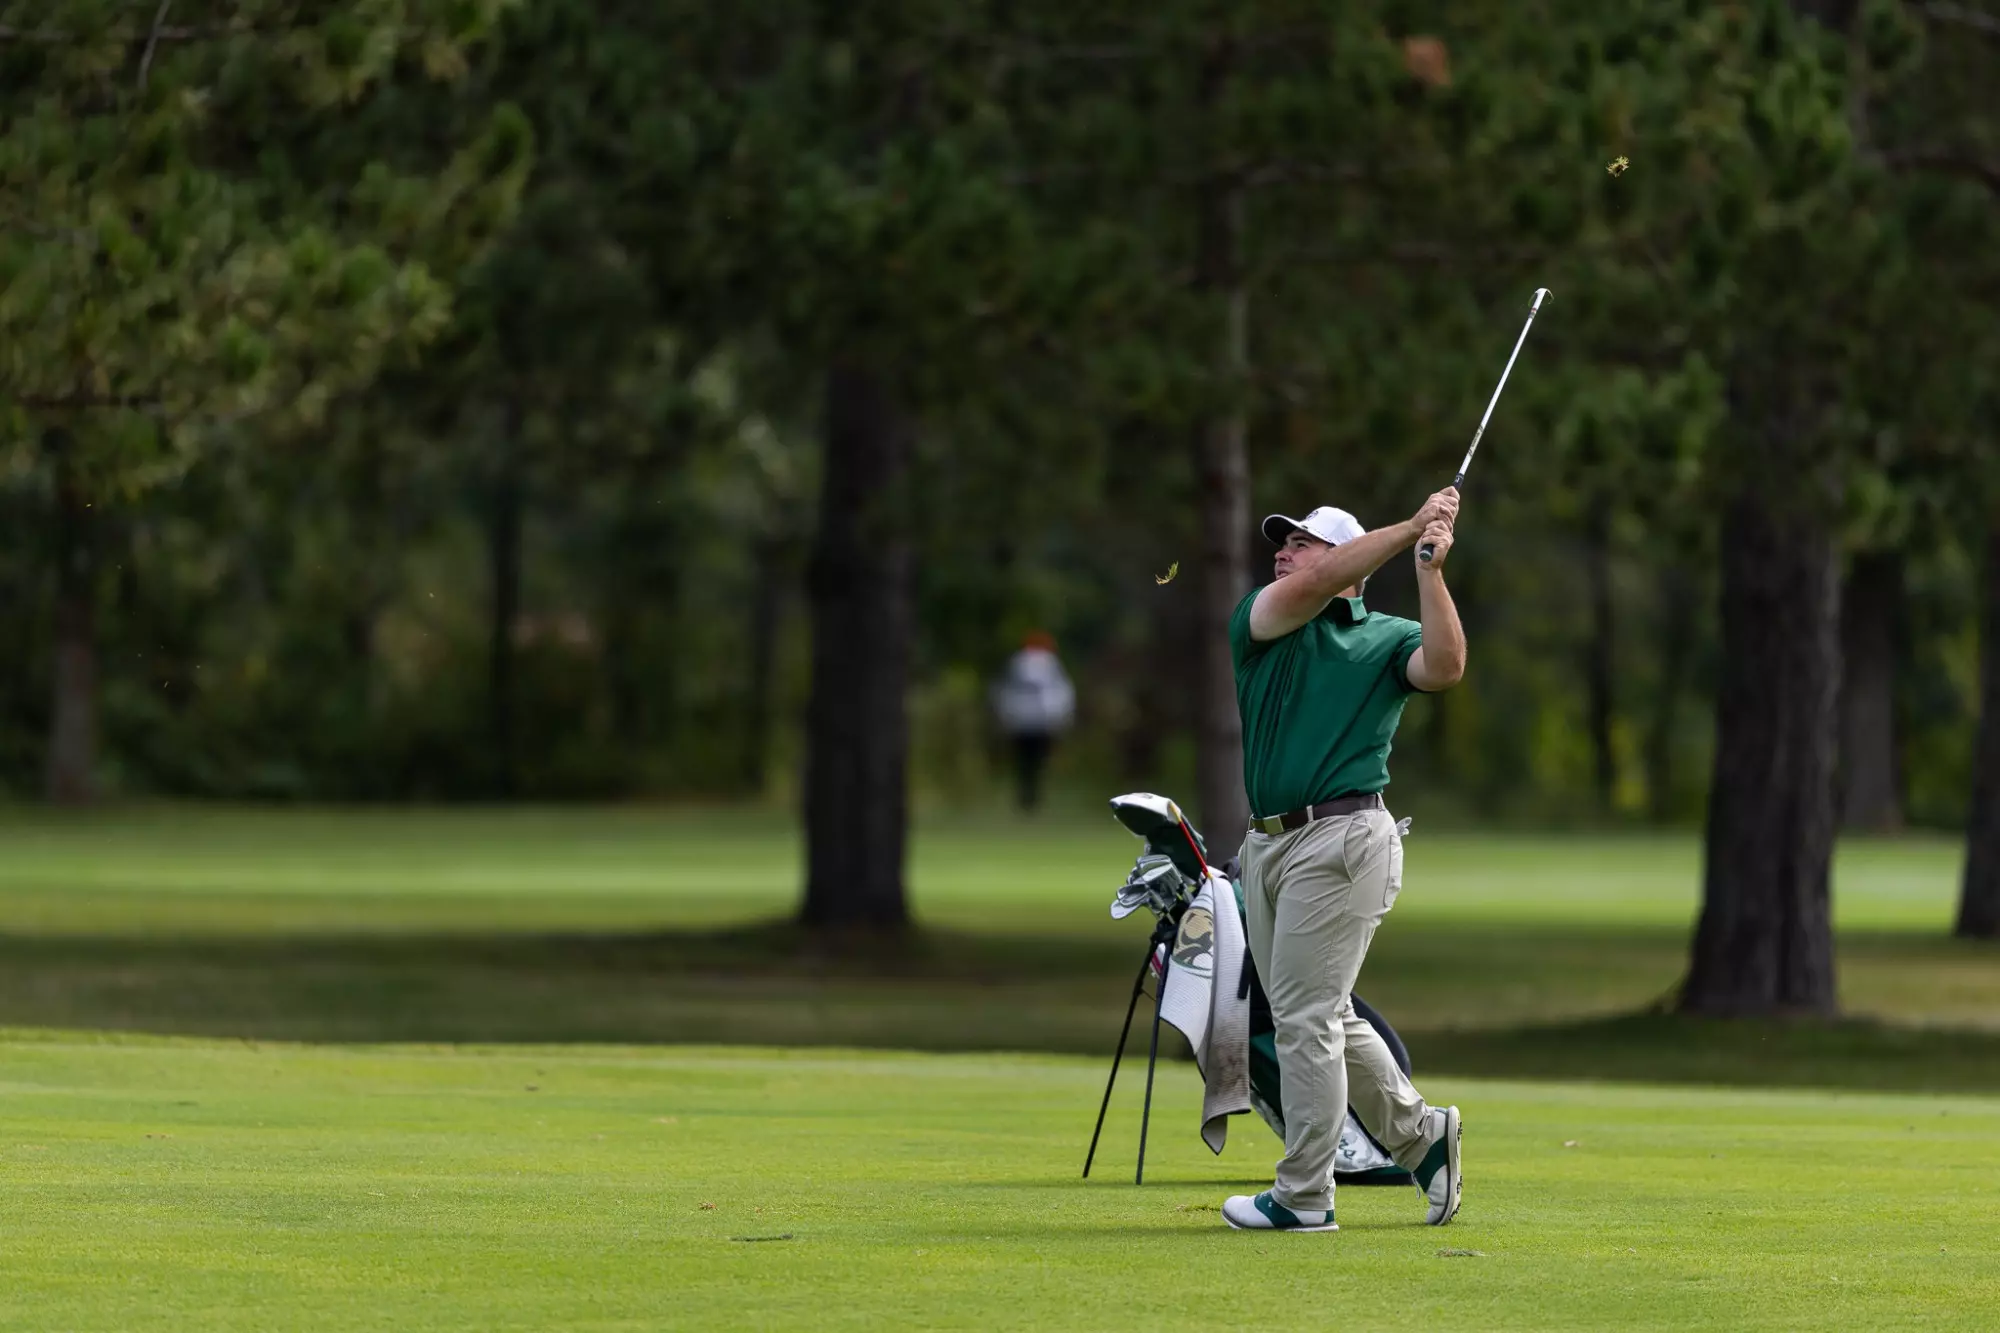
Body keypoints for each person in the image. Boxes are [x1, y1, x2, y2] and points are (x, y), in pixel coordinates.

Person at [1218, 491, 1468, 1233]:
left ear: (1353, 567)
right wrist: (1411, 525)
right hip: (1265, 844)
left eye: (1305, 542)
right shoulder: (1263, 617)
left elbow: (1446, 665)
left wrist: (1429, 568)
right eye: (1282, 541)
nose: (1284, 551)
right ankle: (1424, 1136)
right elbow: (1311, 588)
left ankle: (1304, 1195)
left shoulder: (1385, 637)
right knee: (1318, 1012)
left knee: (1304, 1016)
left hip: (1345, 835)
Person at [990, 631, 1075, 811]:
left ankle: (1028, 799)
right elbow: (1062, 691)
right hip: (1039, 720)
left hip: (1023, 720)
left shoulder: (1018, 662)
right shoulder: (1048, 663)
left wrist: (1004, 714)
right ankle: (1031, 800)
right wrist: (1063, 715)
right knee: (1034, 763)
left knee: (1025, 764)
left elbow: (1003, 691)